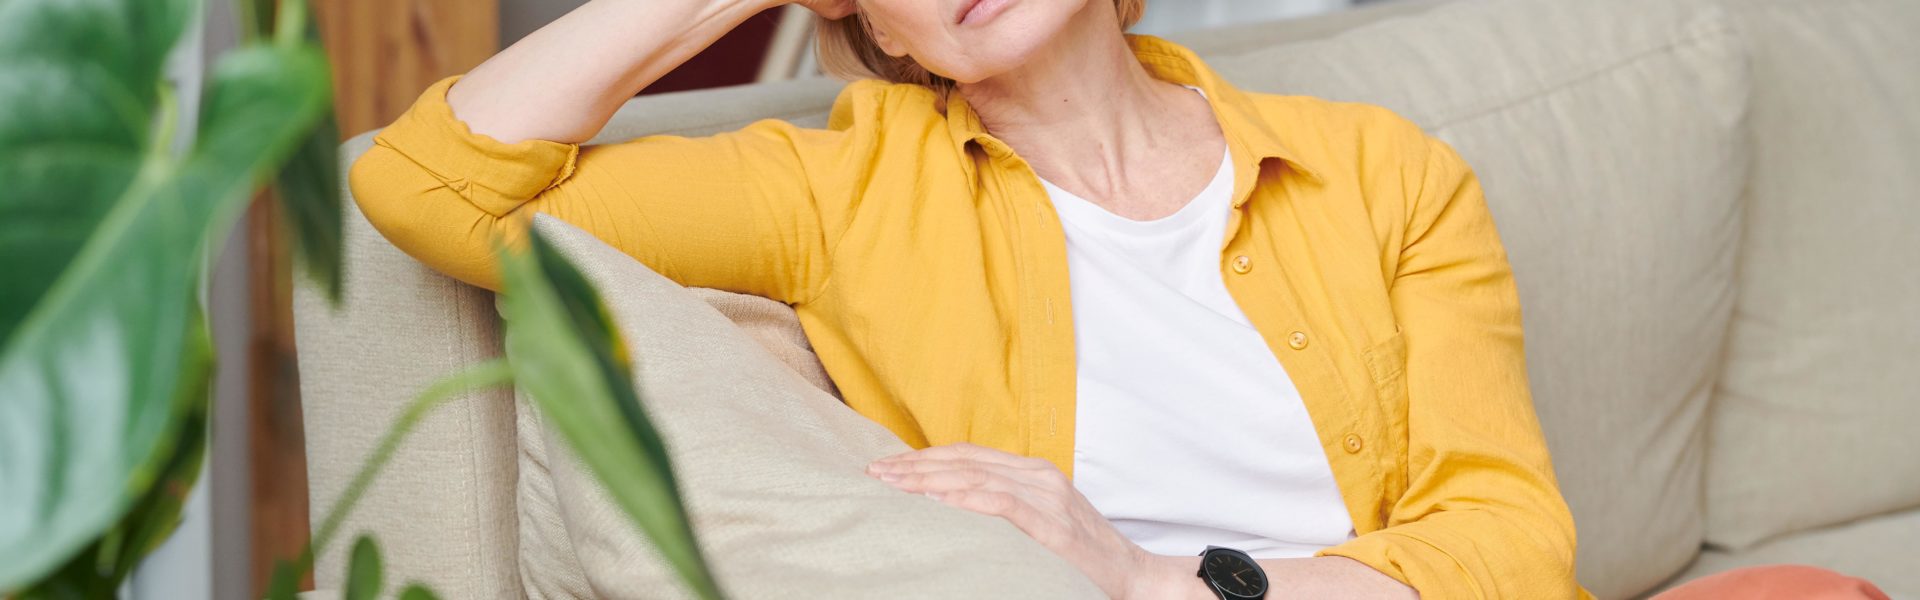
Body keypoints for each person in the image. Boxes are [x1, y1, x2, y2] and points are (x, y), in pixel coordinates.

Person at [349, 0, 1887, 597]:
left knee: (1820, 598)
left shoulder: (1380, 170)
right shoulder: (835, 190)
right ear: (868, 21)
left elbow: (1511, 543)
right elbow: (426, 189)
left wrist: (1163, 581)